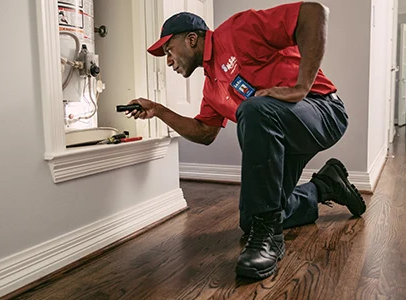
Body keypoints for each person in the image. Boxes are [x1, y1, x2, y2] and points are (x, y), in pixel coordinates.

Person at [125, 1, 366, 280]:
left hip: (323, 110)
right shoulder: (211, 86)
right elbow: (204, 133)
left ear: (192, 39)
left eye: (168, 50)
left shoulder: (237, 31)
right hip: (283, 138)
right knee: (252, 221)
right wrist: (159, 110)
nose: (168, 60)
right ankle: (326, 186)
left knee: (253, 109)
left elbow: (313, 11)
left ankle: (271, 239)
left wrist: (301, 87)